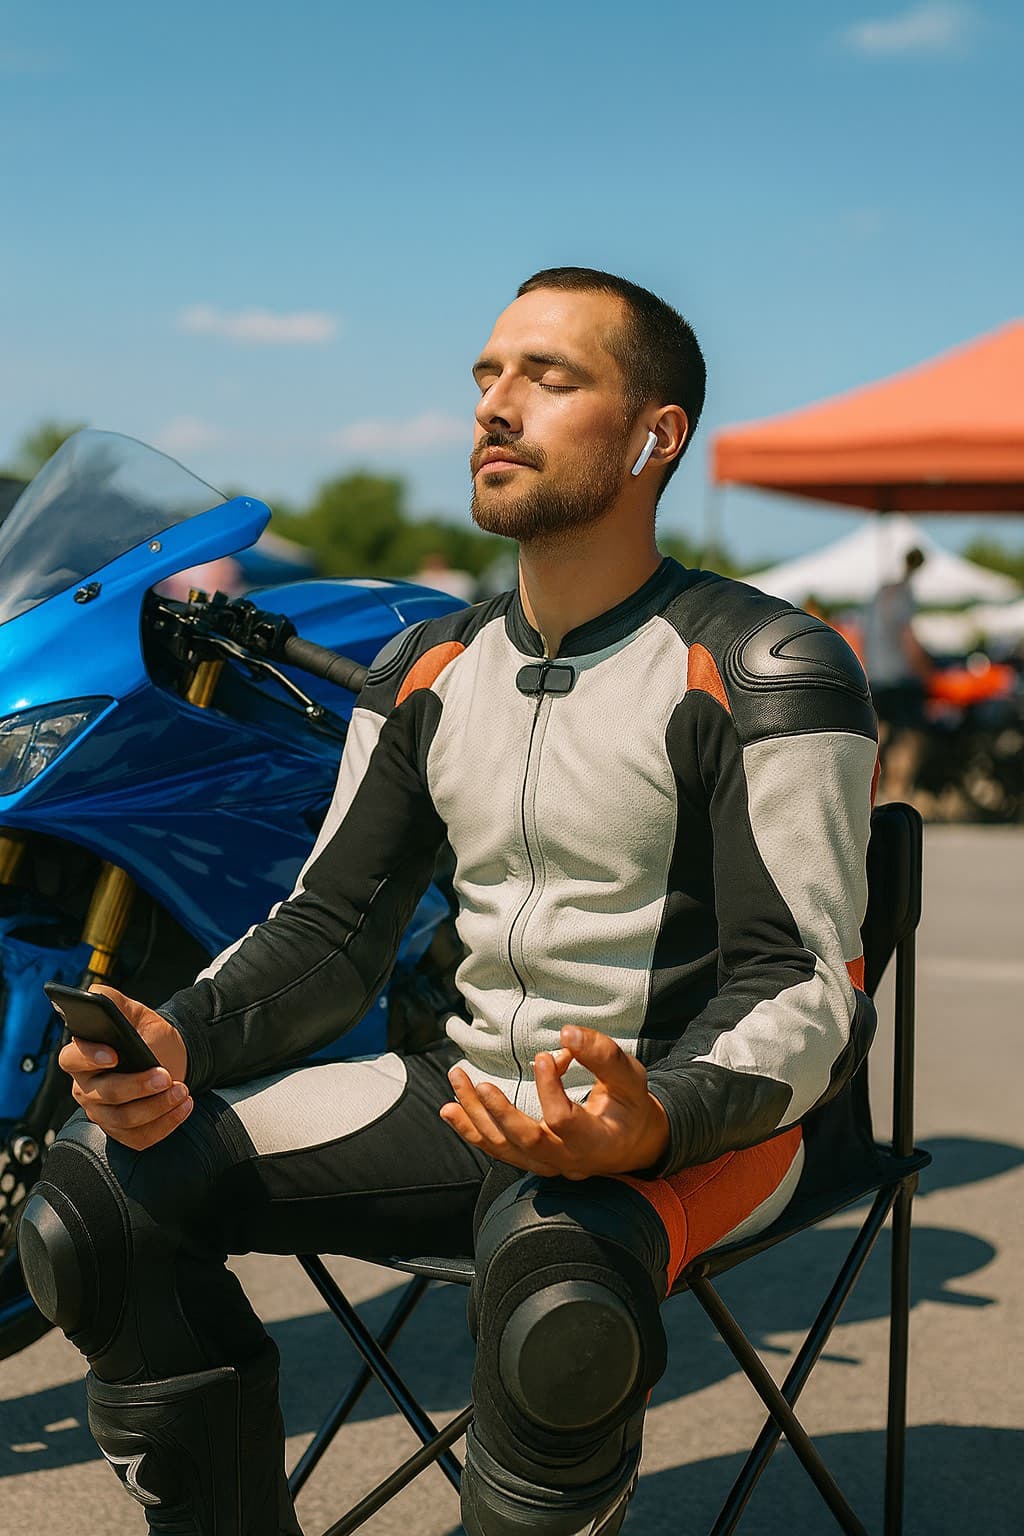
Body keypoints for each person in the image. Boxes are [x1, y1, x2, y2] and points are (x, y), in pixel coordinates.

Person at [19, 268, 878, 1536]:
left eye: (551, 377)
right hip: (475, 1094)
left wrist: (655, 1120)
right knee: (97, 1197)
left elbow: (806, 984)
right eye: (488, 374)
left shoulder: (761, 663)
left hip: (706, 1122)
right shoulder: (427, 668)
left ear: (656, 435)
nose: (495, 404)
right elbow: (327, 934)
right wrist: (176, 1038)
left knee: (555, 1305)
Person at [862, 546, 932, 803]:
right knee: (911, 736)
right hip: (900, 677)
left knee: (879, 734)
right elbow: (907, 637)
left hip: (877, 675)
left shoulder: (880, 593)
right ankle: (899, 790)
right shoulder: (904, 594)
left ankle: (871, 788)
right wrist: (927, 670)